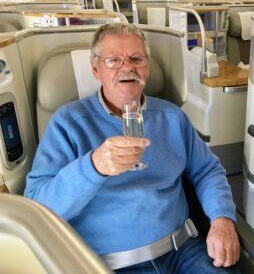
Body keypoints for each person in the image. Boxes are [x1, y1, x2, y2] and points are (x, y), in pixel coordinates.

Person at [24, 22, 240, 273]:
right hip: (112, 264)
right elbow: (38, 205)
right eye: (114, 60)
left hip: (183, 251)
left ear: (147, 68)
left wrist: (222, 218)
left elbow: (208, 170)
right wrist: (93, 166)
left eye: (136, 59)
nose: (127, 67)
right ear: (96, 69)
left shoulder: (172, 116)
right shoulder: (68, 124)